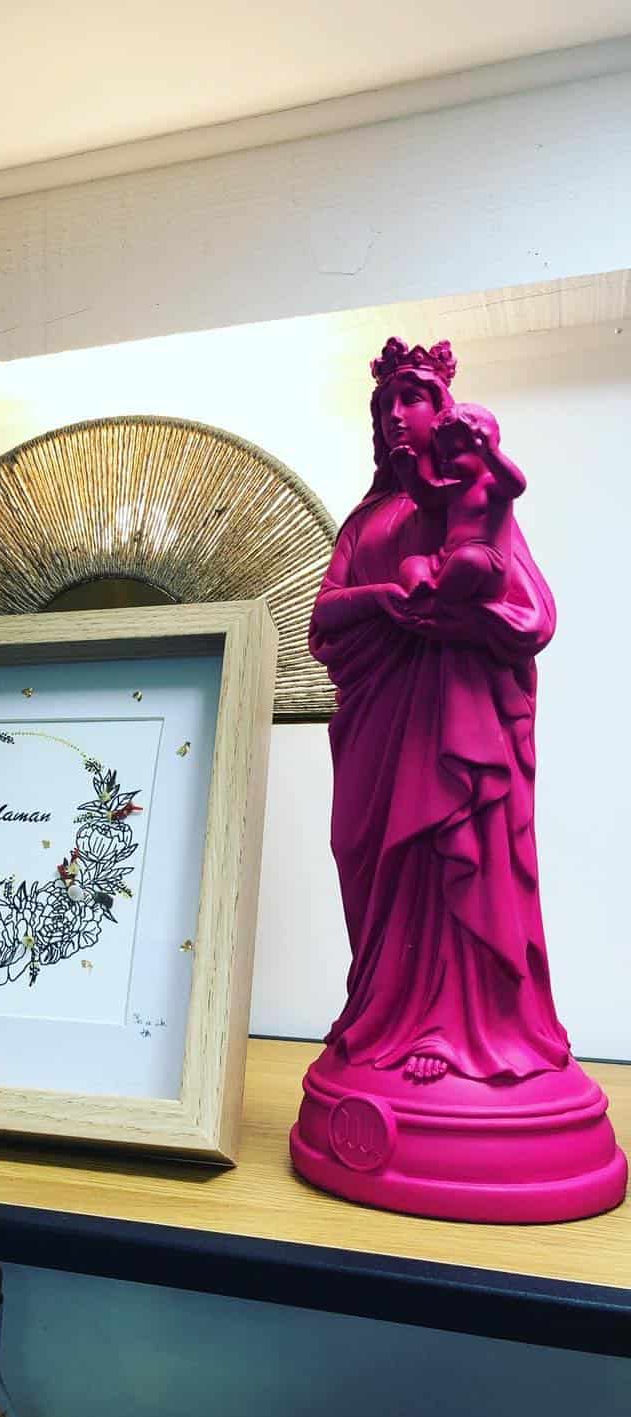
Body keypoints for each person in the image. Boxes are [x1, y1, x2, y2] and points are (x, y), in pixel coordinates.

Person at [309, 339, 569, 1084]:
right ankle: (378, 1009)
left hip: (454, 720)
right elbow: (323, 620)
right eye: (385, 404)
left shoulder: (468, 495)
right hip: (377, 723)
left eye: (412, 398)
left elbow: (533, 614)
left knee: (447, 852)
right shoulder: (363, 523)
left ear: (444, 410)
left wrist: (455, 619)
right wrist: (384, 599)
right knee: (365, 854)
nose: (396, 415)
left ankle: (450, 1028)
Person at [394, 401, 526, 602]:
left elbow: (517, 486)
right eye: (442, 457)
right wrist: (408, 474)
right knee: (412, 564)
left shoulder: (491, 484)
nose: (445, 463)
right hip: (445, 560)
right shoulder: (455, 489)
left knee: (468, 559)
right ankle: (423, 589)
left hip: (488, 562)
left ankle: (438, 600)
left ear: (480, 447)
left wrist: (492, 454)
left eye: (454, 454)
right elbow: (426, 499)